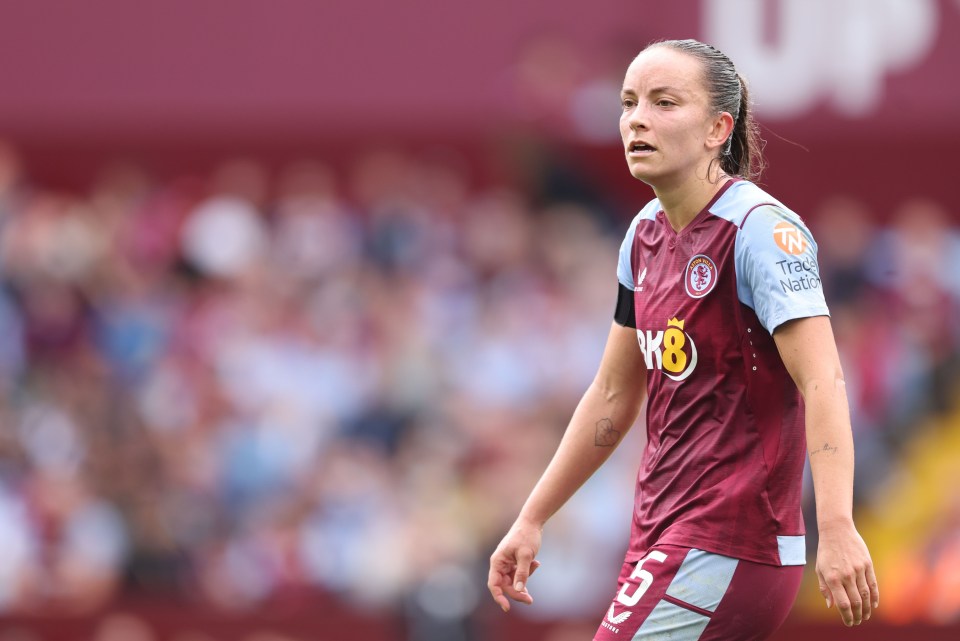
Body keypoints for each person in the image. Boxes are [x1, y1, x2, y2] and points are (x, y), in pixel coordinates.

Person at [487, 38, 879, 640]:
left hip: (730, 540)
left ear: (718, 128)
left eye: (664, 102)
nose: (637, 118)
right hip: (658, 535)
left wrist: (838, 525)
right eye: (628, 102)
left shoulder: (759, 231)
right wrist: (531, 517)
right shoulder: (642, 235)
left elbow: (822, 381)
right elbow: (615, 395)